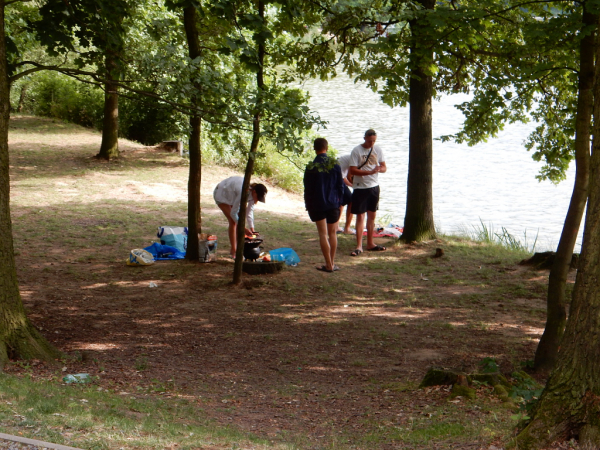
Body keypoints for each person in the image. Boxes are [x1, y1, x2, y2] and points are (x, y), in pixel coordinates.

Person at [304, 138, 344, 272]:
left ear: (315, 149)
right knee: (333, 233)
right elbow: (340, 186)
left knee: (323, 234)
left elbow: (307, 188)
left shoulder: (311, 166)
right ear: (326, 148)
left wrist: (308, 204)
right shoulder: (335, 165)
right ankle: (332, 263)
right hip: (333, 203)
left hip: (317, 204)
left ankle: (328, 264)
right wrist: (339, 202)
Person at [349, 129, 387, 256]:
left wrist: (379, 169)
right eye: (370, 140)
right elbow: (352, 170)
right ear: (364, 138)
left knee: (372, 216)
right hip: (360, 187)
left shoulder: (378, 150)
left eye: (374, 141)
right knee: (360, 216)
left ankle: (370, 243)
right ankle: (359, 246)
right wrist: (369, 172)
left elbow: (384, 167)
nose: (372, 143)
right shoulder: (357, 150)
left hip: (374, 187)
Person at [213, 176, 267, 258]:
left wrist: (252, 229)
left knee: (238, 219)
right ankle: (234, 251)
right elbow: (233, 214)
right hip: (221, 193)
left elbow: (249, 212)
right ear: (254, 192)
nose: (257, 200)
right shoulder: (243, 193)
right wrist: (244, 228)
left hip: (232, 195)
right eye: (257, 197)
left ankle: (240, 248)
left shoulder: (252, 195)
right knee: (233, 221)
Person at [337, 154, 355, 234]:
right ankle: (347, 229)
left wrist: (353, 184)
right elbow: (347, 177)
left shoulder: (351, 158)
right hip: (338, 179)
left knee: (342, 202)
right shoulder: (354, 160)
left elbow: (348, 176)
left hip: (336, 178)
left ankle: (336, 226)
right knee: (351, 201)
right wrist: (353, 186)